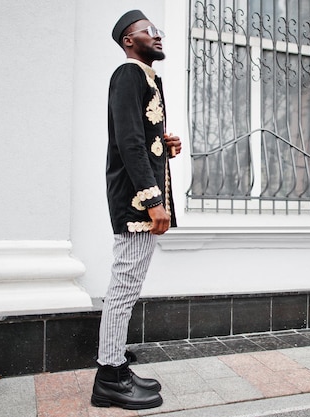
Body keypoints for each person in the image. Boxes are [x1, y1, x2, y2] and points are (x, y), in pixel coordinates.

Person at [91, 10, 182, 410]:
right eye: (149, 31)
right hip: (135, 204)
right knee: (124, 287)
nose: (157, 35)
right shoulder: (128, 74)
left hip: (140, 201)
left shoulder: (145, 77)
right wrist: (154, 201)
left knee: (127, 286)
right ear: (130, 41)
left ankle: (117, 367)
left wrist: (164, 144)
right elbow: (127, 141)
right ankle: (109, 376)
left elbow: (140, 138)